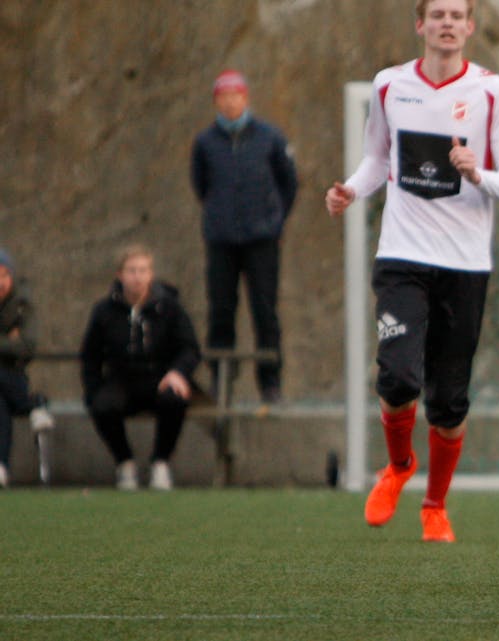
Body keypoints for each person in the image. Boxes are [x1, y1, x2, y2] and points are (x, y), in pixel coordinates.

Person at [325, 0, 499, 542]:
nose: (445, 22)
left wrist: (477, 173)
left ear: (469, 27)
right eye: (436, 13)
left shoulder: (491, 91)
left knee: (448, 402)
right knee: (396, 377)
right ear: (420, 24)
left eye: (456, 15)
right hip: (402, 256)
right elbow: (376, 158)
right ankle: (396, 468)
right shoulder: (390, 85)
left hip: (465, 265)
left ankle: (435, 505)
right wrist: (351, 188)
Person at [191, 69, 298, 403]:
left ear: (245, 97)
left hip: (261, 239)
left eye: (236, 95)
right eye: (223, 96)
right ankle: (221, 380)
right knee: (220, 311)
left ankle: (270, 382)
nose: (230, 102)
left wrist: (274, 221)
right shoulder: (205, 143)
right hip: (221, 240)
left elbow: (289, 183)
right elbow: (201, 185)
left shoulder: (270, 137)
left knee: (265, 311)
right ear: (216, 101)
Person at [80, 244, 201, 490]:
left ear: (151, 274)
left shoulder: (169, 307)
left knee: (174, 398)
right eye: (132, 270)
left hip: (160, 377)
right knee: (101, 404)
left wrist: (178, 373)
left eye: (143, 270)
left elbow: (190, 348)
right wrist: (93, 388)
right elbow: (90, 355)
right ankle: (124, 463)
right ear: (120, 274)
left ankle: (161, 462)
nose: (137, 277)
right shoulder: (104, 311)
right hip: (122, 380)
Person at [0, 249, 54, 488]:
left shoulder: (23, 305)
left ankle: (1, 465)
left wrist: (14, 345)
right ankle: (33, 405)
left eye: (3, 275)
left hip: (13, 376)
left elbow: (27, 347)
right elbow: (14, 347)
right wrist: (8, 342)